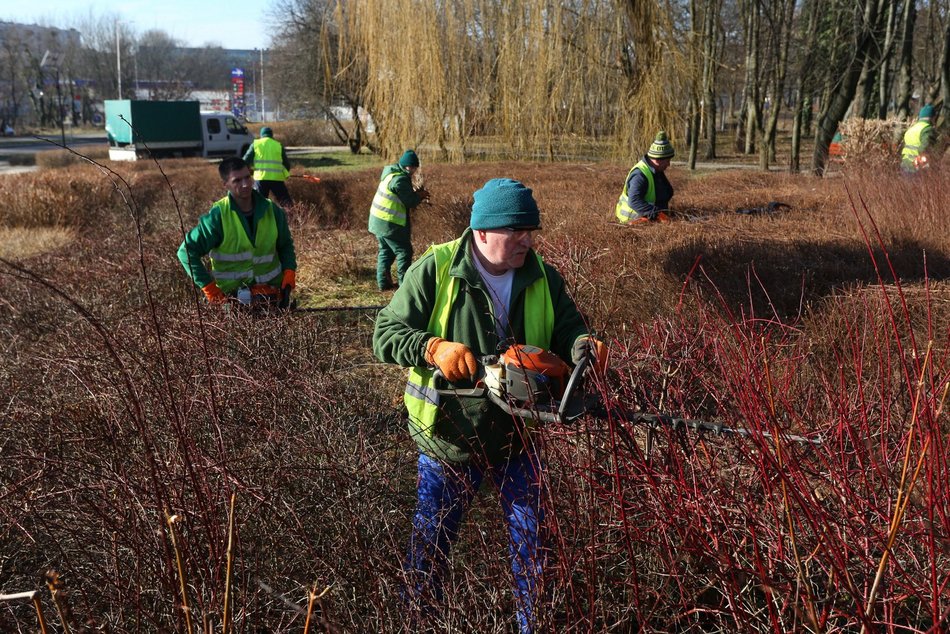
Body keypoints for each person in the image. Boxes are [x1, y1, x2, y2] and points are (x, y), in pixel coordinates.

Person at [372, 178, 607, 633]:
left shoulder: (542, 275)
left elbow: (571, 329)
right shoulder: (436, 269)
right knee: (429, 552)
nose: (527, 240)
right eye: (515, 231)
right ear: (481, 232)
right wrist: (433, 347)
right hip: (448, 440)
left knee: (534, 552)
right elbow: (384, 333)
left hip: (520, 438)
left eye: (530, 230)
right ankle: (417, 621)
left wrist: (583, 347)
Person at [177, 157, 297, 306]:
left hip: (273, 297)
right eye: (237, 181)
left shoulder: (272, 210)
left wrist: (289, 271)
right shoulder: (218, 216)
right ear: (225, 184)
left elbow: (285, 245)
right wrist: (209, 288)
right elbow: (186, 252)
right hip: (232, 301)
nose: (245, 184)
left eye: (247, 177)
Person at [368, 149, 430, 291]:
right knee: (404, 252)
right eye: (412, 167)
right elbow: (410, 201)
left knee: (386, 252)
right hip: (389, 224)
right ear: (405, 165)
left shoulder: (390, 173)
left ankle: (384, 284)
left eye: (415, 167)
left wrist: (416, 194)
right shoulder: (400, 179)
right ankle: (404, 287)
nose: (413, 170)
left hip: (377, 221)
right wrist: (420, 195)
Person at [615, 130, 675, 224]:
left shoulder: (657, 170)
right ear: (658, 160)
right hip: (633, 221)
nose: (669, 164)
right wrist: (657, 214)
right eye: (667, 161)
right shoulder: (639, 175)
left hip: (650, 220)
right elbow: (634, 201)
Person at [243, 126, 294, 206]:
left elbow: (245, 161)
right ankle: (292, 217)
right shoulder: (278, 145)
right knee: (286, 203)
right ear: (271, 135)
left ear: (261, 135)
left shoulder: (255, 144)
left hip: (260, 179)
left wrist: (249, 172)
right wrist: (285, 173)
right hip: (276, 179)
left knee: (259, 204)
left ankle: (260, 218)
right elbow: (286, 164)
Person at [901, 104, 936, 173]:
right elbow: (926, 148)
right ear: (932, 118)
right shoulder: (927, 129)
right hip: (918, 168)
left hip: (905, 165)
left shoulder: (911, 129)